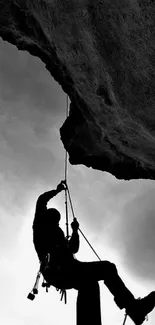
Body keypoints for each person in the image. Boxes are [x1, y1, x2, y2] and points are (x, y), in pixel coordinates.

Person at [33, 181, 155, 325]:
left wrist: (75, 231)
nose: (57, 223)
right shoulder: (40, 226)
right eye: (55, 220)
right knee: (106, 269)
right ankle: (134, 309)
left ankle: (133, 309)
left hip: (68, 270)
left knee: (90, 284)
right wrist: (57, 190)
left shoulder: (57, 234)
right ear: (47, 217)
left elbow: (73, 249)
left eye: (57, 221)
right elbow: (42, 200)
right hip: (59, 271)